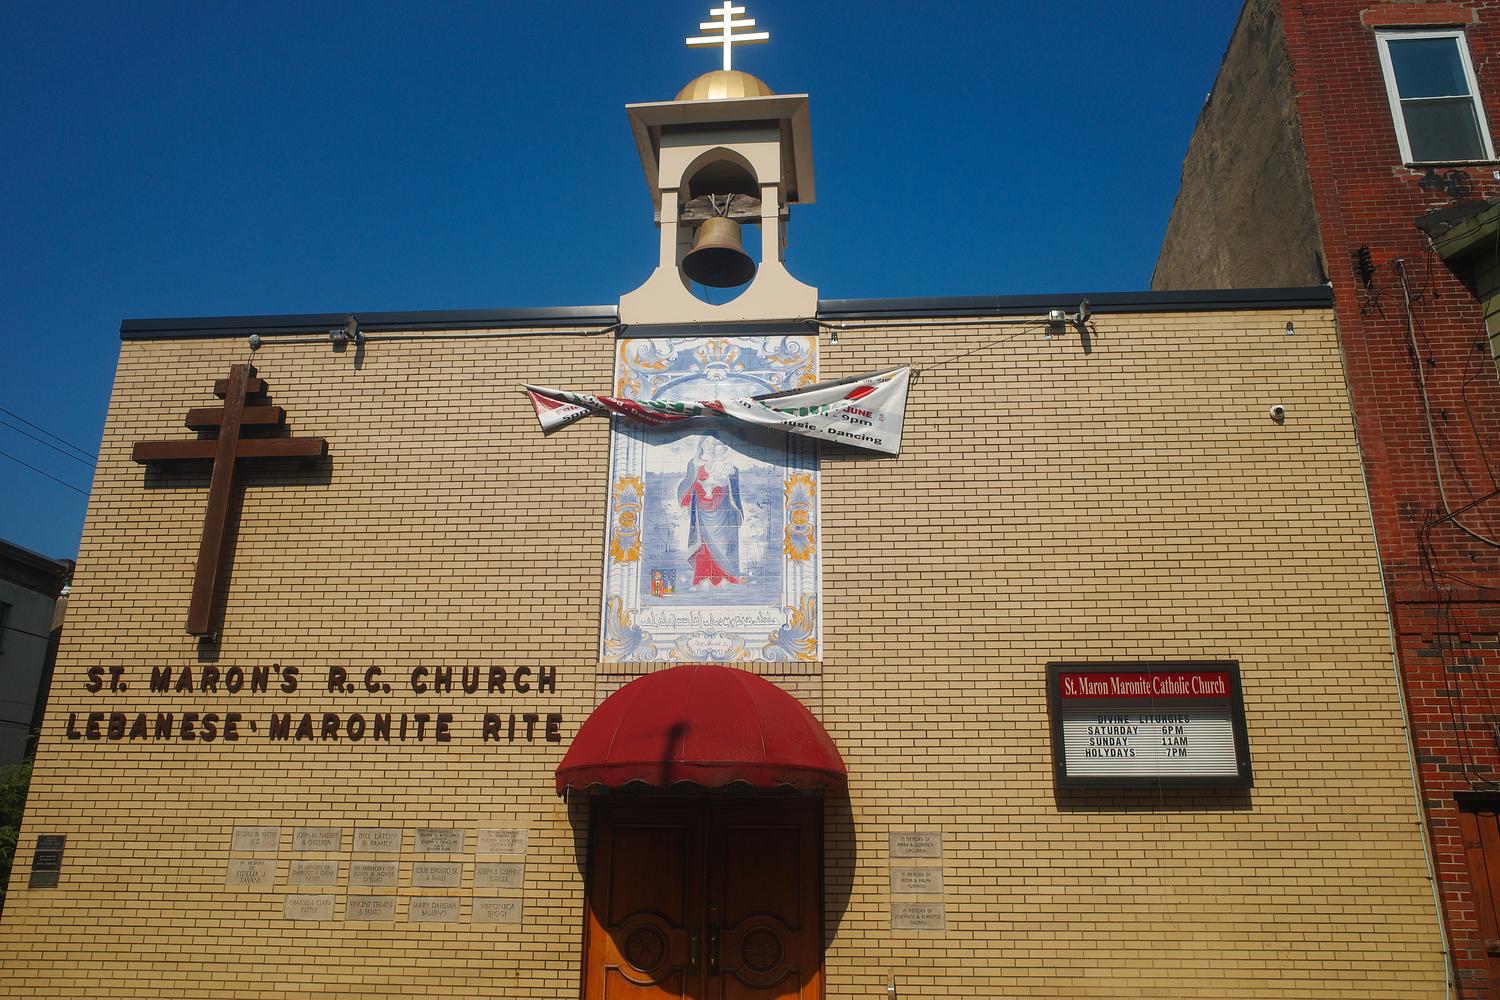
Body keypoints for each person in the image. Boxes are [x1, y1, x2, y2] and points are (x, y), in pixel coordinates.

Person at [678, 434, 743, 588]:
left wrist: (727, 476)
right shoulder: (694, 463)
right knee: (704, 544)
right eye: (706, 442)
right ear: (701, 444)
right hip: (702, 511)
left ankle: (726, 576)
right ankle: (703, 576)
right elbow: (688, 483)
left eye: (712, 443)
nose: (709, 445)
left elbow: (731, 478)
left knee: (724, 543)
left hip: (723, 509)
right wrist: (686, 501)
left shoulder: (723, 463)